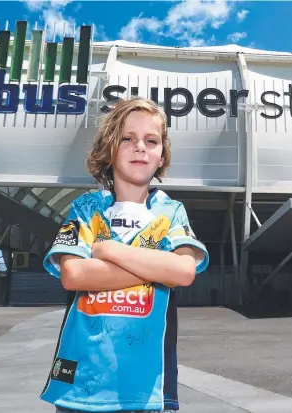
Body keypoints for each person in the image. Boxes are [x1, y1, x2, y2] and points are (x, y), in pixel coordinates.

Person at [40, 97, 210, 413]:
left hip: (147, 390)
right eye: (127, 138)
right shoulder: (86, 209)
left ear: (162, 156)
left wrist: (108, 250)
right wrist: (158, 266)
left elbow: (185, 271)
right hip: (83, 385)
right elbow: (74, 275)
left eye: (151, 140)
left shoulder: (170, 212)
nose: (140, 147)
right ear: (109, 150)